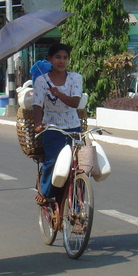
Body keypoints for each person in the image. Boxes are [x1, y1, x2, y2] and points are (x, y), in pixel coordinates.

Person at [32, 43, 83, 205]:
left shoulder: (76, 78)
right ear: (50, 59)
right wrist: (38, 123)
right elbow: (37, 104)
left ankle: (77, 205)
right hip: (52, 128)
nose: (62, 61)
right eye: (58, 57)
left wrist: (59, 94)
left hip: (73, 127)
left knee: (77, 168)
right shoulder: (41, 81)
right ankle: (45, 192)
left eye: (65, 58)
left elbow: (75, 102)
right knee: (53, 160)